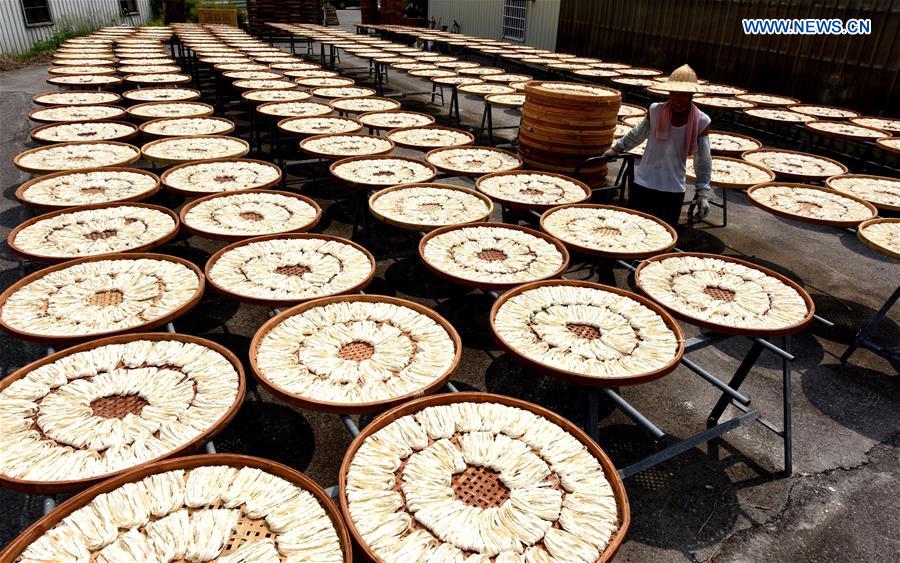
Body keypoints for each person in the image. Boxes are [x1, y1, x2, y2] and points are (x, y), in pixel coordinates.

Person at [604, 64, 713, 227]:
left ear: (692, 95)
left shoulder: (702, 121)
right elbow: (638, 134)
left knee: (664, 233)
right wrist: (616, 149)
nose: (678, 100)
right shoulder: (655, 110)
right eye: (674, 94)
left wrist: (703, 193)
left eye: (683, 95)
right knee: (635, 228)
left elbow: (703, 160)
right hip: (644, 183)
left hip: (673, 188)